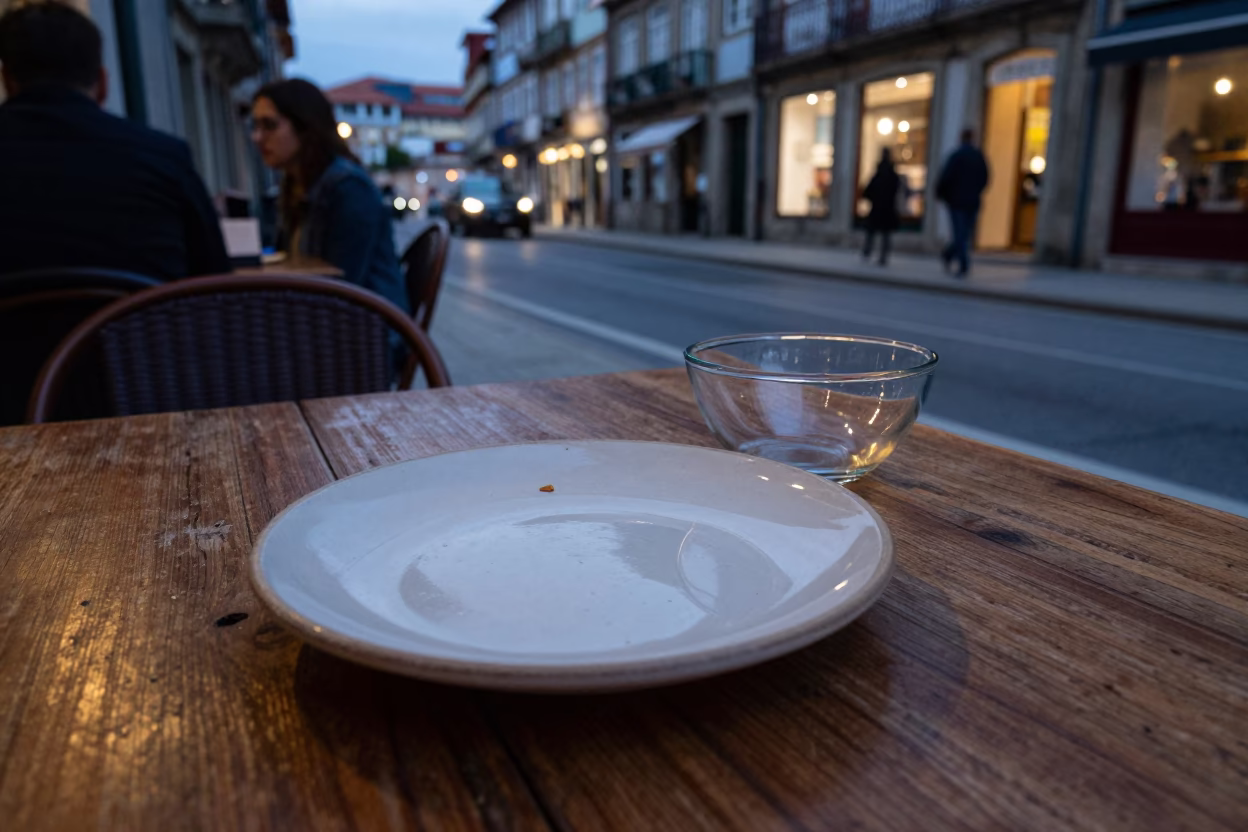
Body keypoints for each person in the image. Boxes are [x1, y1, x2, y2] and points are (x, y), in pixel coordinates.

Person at [0, 1, 230, 280]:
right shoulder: (164, 158)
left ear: (7, 81)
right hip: (147, 324)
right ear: (102, 83)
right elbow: (215, 283)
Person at [250, 79, 407, 313]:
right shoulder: (296, 185)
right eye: (255, 126)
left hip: (367, 331)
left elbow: (341, 284)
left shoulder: (348, 188)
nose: (257, 137)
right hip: (324, 322)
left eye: (269, 125)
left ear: (305, 128)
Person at [936, 128, 990, 277]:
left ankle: (956, 259)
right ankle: (960, 261)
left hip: (958, 201)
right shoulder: (977, 156)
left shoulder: (957, 156)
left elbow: (945, 177)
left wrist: (942, 195)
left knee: (961, 233)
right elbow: (985, 178)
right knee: (963, 233)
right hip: (971, 201)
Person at [862, 149, 901, 266]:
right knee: (885, 234)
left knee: (872, 231)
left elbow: (868, 191)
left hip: (877, 208)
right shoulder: (893, 175)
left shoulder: (878, 174)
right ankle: (883, 256)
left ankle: (867, 251)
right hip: (888, 208)